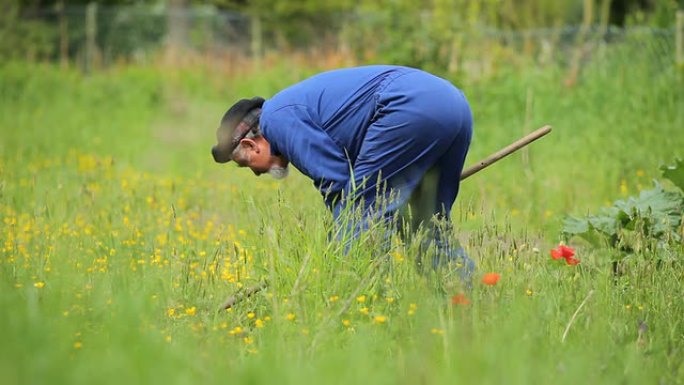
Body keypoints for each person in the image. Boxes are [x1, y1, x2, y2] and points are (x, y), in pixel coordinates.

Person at [211, 65, 474, 280]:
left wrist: (336, 247)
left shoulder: (276, 119)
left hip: (407, 109)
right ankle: (470, 299)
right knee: (424, 223)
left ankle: (366, 310)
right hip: (453, 105)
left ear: (250, 144)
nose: (257, 174)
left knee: (358, 214)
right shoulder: (289, 107)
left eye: (246, 165)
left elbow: (337, 185)